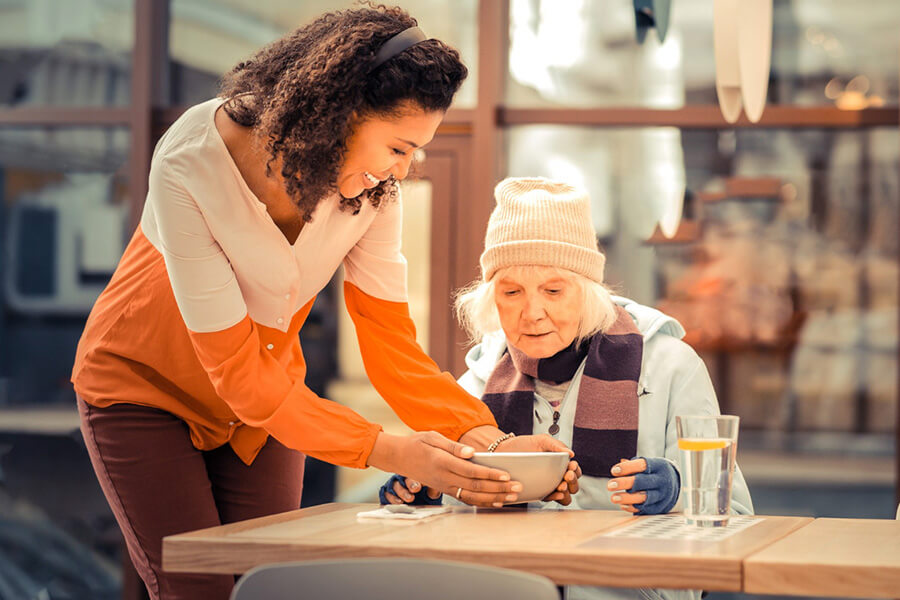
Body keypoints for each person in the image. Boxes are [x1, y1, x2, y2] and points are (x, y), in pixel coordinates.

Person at [71, 8, 576, 600]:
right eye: (398, 146)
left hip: (268, 408)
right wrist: (394, 452)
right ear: (343, 112)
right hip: (144, 391)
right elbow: (236, 372)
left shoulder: (374, 193)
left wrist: (489, 443)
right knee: (198, 589)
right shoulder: (190, 163)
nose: (405, 170)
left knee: (270, 586)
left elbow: (391, 347)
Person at [380, 177, 754, 600]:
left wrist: (676, 490)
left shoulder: (671, 367)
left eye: (554, 290)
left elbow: (736, 517)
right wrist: (423, 492)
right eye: (512, 291)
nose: (532, 313)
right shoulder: (479, 380)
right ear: (491, 299)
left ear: (589, 291)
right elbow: (445, 524)